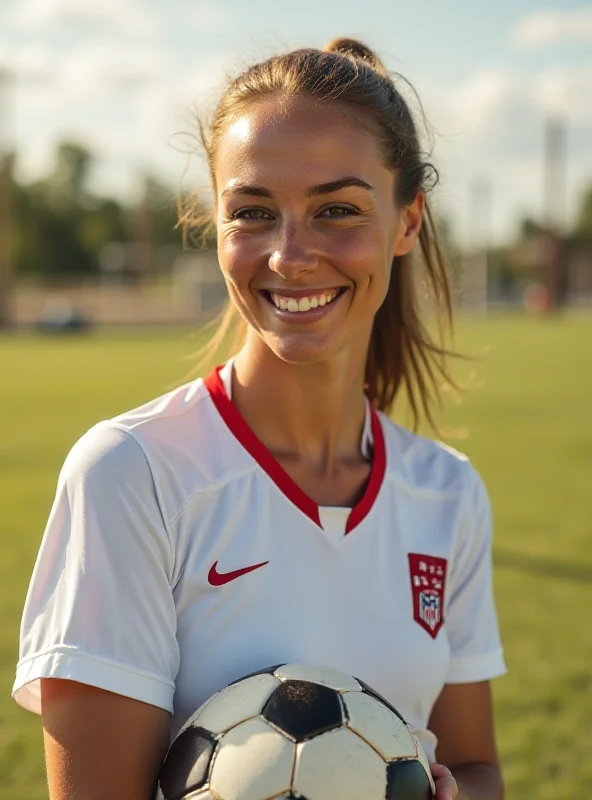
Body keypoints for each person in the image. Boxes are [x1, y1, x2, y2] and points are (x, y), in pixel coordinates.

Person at [13, 39, 506, 800]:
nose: (290, 254)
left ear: (408, 222)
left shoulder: (448, 493)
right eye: (252, 212)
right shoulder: (131, 475)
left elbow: (478, 768)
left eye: (337, 210)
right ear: (215, 225)